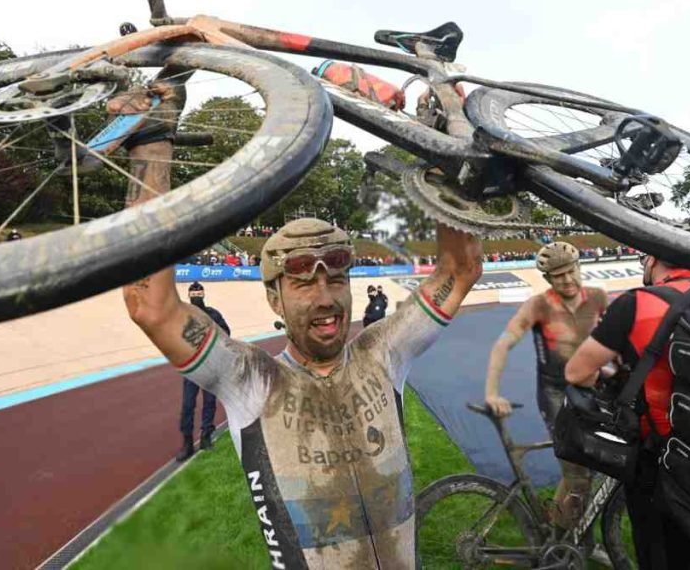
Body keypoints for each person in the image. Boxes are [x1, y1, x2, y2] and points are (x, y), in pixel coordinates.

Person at [120, 104, 483, 568]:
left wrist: (442, 160)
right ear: (275, 300)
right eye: (303, 284)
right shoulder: (250, 379)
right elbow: (149, 305)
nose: (325, 297)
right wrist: (152, 140)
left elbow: (462, 268)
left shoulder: (382, 353)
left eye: (336, 279)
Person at [565, 253, 690, 569]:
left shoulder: (637, 302)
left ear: (652, 260)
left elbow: (576, 372)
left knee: (660, 552)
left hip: (659, 457)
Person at [483, 242, 608, 529]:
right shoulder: (538, 305)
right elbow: (503, 345)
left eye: (570, 271)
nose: (566, 280)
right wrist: (491, 392)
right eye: (557, 275)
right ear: (547, 279)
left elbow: (614, 341)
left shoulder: (599, 297)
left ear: (580, 267)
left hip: (593, 389)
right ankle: (566, 539)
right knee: (578, 472)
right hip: (556, 394)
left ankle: (563, 528)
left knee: (591, 465)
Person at [176, 281, 229, 462]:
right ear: (189, 296)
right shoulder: (181, 316)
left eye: (199, 294)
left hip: (211, 365)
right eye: (194, 294)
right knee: (188, 405)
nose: (196, 296)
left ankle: (206, 435)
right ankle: (187, 441)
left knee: (209, 402)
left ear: (203, 295)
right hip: (191, 366)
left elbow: (226, 333)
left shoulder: (213, 314)